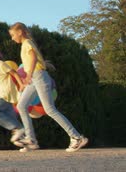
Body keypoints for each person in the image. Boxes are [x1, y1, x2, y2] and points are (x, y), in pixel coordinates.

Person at [9, 22, 88, 152]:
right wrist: (27, 80)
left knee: (50, 109)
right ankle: (31, 140)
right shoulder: (26, 44)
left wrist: (28, 74)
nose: (12, 38)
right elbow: (34, 60)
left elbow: (33, 58)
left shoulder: (27, 43)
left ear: (20, 32)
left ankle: (76, 137)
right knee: (22, 106)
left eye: (13, 35)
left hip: (38, 77)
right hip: (35, 78)